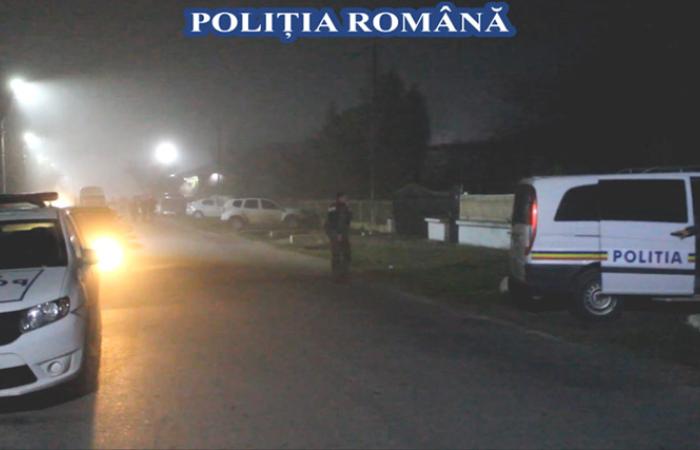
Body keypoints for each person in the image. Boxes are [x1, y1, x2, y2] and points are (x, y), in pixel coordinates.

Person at [325, 192, 352, 280]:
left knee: (346, 252)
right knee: (336, 253)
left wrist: (349, 209)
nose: (346, 199)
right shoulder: (333, 207)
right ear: (339, 198)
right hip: (335, 232)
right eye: (344, 197)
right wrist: (338, 233)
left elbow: (348, 220)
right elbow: (332, 220)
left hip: (343, 233)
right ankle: (336, 273)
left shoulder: (345, 207)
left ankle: (344, 272)